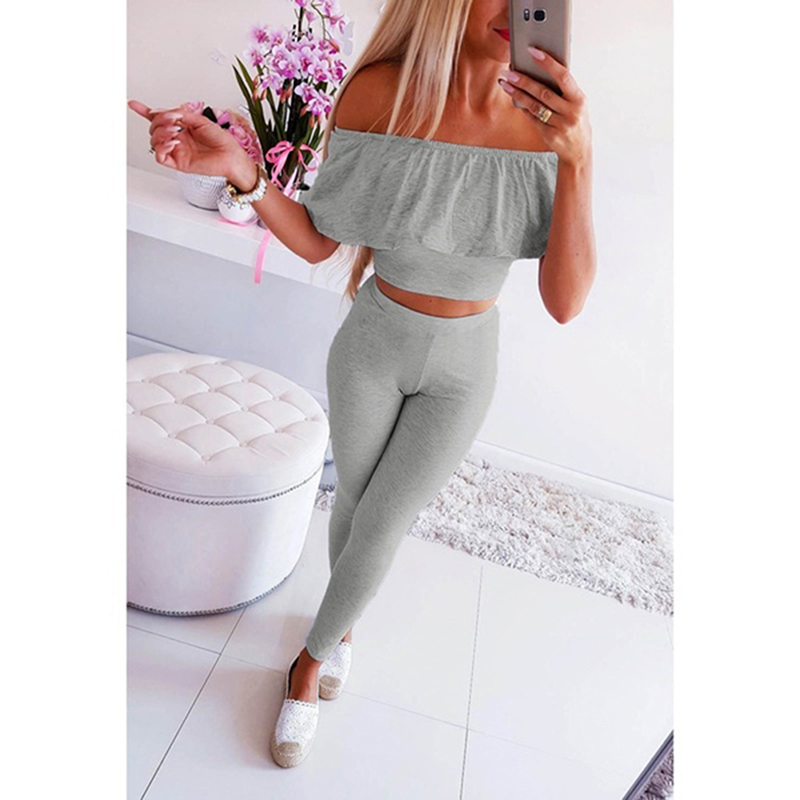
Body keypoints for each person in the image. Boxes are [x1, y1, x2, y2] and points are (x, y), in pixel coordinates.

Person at [129, 0, 595, 769]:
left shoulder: (549, 122)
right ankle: (341, 629)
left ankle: (307, 664)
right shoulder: (379, 93)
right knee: (353, 502)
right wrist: (242, 170)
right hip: (373, 343)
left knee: (382, 520)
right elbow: (320, 243)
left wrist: (577, 158)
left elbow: (566, 301)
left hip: (465, 365)